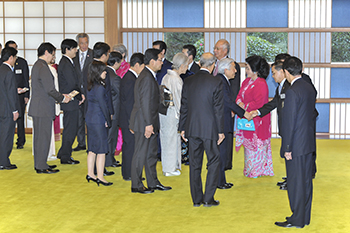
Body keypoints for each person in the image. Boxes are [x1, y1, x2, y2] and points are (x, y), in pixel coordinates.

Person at [275, 56, 316, 228]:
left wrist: (287, 148)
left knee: (295, 183)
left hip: (296, 145)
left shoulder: (292, 91)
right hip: (308, 142)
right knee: (306, 182)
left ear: (286, 72)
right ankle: (304, 217)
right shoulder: (308, 87)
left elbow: (289, 122)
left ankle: (297, 219)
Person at [179, 52, 224, 207]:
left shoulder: (189, 81)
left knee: (194, 164)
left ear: (199, 63)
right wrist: (220, 131)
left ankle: (197, 199)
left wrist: (182, 128)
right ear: (213, 65)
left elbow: (183, 106)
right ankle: (208, 198)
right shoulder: (216, 82)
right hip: (210, 129)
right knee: (213, 161)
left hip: (192, 127)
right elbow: (218, 109)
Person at [129, 48, 171, 194]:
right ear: (152, 61)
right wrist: (148, 124)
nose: (162, 62)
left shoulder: (149, 75)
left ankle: (153, 182)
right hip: (144, 122)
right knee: (140, 153)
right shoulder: (146, 77)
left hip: (149, 121)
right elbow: (145, 103)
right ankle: (137, 184)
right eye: (160, 59)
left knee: (150, 154)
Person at [28, 42, 71, 174]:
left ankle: (41, 163)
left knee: (40, 137)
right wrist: (63, 98)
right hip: (43, 108)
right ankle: (41, 165)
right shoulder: (43, 67)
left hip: (40, 107)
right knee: (43, 138)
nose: (53, 57)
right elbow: (50, 89)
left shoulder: (38, 65)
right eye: (52, 54)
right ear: (46, 52)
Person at [250, 59, 291, 189]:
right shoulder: (281, 86)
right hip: (284, 125)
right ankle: (290, 177)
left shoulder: (290, 87)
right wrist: (258, 112)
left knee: (290, 153)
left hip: (290, 126)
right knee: (286, 152)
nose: (272, 76)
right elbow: (273, 103)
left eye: (273, 73)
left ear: (282, 72)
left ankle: (292, 180)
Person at [235, 55, 274, 178]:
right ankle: (249, 169)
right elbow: (239, 96)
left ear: (255, 70)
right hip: (247, 117)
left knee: (257, 145)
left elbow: (259, 103)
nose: (246, 70)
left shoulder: (261, 83)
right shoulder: (246, 81)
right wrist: (240, 103)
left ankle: (258, 170)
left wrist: (244, 105)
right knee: (248, 145)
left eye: (248, 68)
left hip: (257, 119)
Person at [216, 58, 250, 189]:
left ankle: (222, 180)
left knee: (222, 152)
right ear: (226, 69)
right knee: (221, 152)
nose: (235, 71)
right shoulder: (221, 81)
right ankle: (219, 181)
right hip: (221, 121)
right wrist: (243, 113)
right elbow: (228, 102)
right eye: (233, 68)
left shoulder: (223, 80)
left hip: (223, 120)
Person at [213, 39, 240, 170]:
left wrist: (233, 107)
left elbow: (234, 88)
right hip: (215, 107)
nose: (215, 51)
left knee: (227, 133)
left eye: (217, 48)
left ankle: (226, 163)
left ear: (225, 50)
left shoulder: (233, 65)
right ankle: (217, 162)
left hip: (228, 106)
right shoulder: (213, 64)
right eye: (214, 48)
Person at [159, 53, 188, 177]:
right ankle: (169, 168)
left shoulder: (167, 76)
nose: (187, 68)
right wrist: (182, 115)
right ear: (181, 66)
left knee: (170, 139)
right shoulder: (175, 79)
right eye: (186, 65)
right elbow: (178, 99)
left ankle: (172, 165)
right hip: (172, 112)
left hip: (165, 111)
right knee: (170, 140)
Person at [85, 60, 113, 186]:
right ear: (98, 72)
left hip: (90, 118)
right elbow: (103, 106)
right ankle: (100, 177)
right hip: (98, 119)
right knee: (101, 150)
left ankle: (90, 173)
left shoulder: (90, 85)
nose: (105, 72)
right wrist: (108, 120)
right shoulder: (100, 88)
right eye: (103, 70)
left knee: (92, 148)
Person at [57, 39, 84, 165]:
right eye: (74, 48)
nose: (76, 50)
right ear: (67, 49)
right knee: (70, 129)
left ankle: (63, 152)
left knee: (70, 128)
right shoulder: (66, 63)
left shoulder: (67, 62)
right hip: (70, 101)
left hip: (71, 100)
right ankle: (65, 156)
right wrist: (79, 96)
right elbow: (72, 83)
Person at [119, 53, 144, 181]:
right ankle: (129, 173)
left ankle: (131, 172)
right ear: (137, 65)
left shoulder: (130, 77)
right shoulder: (130, 80)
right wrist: (131, 123)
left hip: (129, 119)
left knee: (131, 146)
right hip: (128, 120)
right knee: (130, 146)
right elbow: (128, 104)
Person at [5, 41, 30, 150]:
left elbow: (26, 79)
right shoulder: (3, 65)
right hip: (6, 96)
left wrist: (27, 94)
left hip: (20, 95)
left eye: (15, 48)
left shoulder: (22, 62)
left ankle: (21, 141)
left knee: (20, 119)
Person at [72, 33, 93, 152]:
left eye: (86, 42)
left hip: (89, 91)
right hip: (77, 92)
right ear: (78, 44)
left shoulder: (93, 54)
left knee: (89, 119)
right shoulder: (74, 55)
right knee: (79, 119)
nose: (84, 45)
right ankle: (81, 143)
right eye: (81, 43)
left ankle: (90, 143)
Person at [0, 47, 19, 170]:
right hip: (7, 110)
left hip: (1, 107)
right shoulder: (8, 72)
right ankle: (3, 161)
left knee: (2, 135)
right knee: (7, 136)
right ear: (11, 58)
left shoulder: (1, 69)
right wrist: (15, 110)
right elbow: (11, 94)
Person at [112, 43, 130, 159]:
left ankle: (120, 146)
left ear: (123, 54)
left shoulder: (127, 66)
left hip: (123, 98)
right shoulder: (113, 65)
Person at [105, 52, 122, 168]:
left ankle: (110, 159)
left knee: (109, 136)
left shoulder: (104, 73)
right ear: (116, 63)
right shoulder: (114, 77)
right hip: (114, 111)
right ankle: (108, 160)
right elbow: (122, 94)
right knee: (111, 136)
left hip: (105, 110)